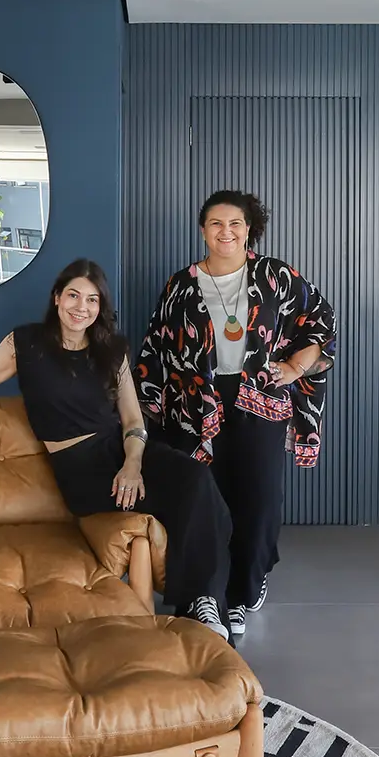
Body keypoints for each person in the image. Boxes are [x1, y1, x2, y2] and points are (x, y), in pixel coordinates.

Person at [0, 258, 234, 639]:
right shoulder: (26, 344)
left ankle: (202, 603)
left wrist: (132, 463)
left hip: (125, 454)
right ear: (57, 297)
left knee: (198, 481)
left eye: (92, 300)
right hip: (83, 470)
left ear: (100, 307)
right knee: (199, 504)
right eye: (73, 296)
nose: (81, 307)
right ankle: (203, 601)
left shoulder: (112, 350)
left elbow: (132, 421)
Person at [136, 190, 336, 640]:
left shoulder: (275, 276)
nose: (225, 232)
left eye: (235, 224)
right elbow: (157, 345)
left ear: (249, 230)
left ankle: (245, 588)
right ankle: (209, 595)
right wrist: (149, 408)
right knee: (204, 499)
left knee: (258, 499)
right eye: (215, 223)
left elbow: (321, 320)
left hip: (260, 398)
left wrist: (295, 367)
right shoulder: (180, 285)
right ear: (202, 230)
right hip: (196, 405)